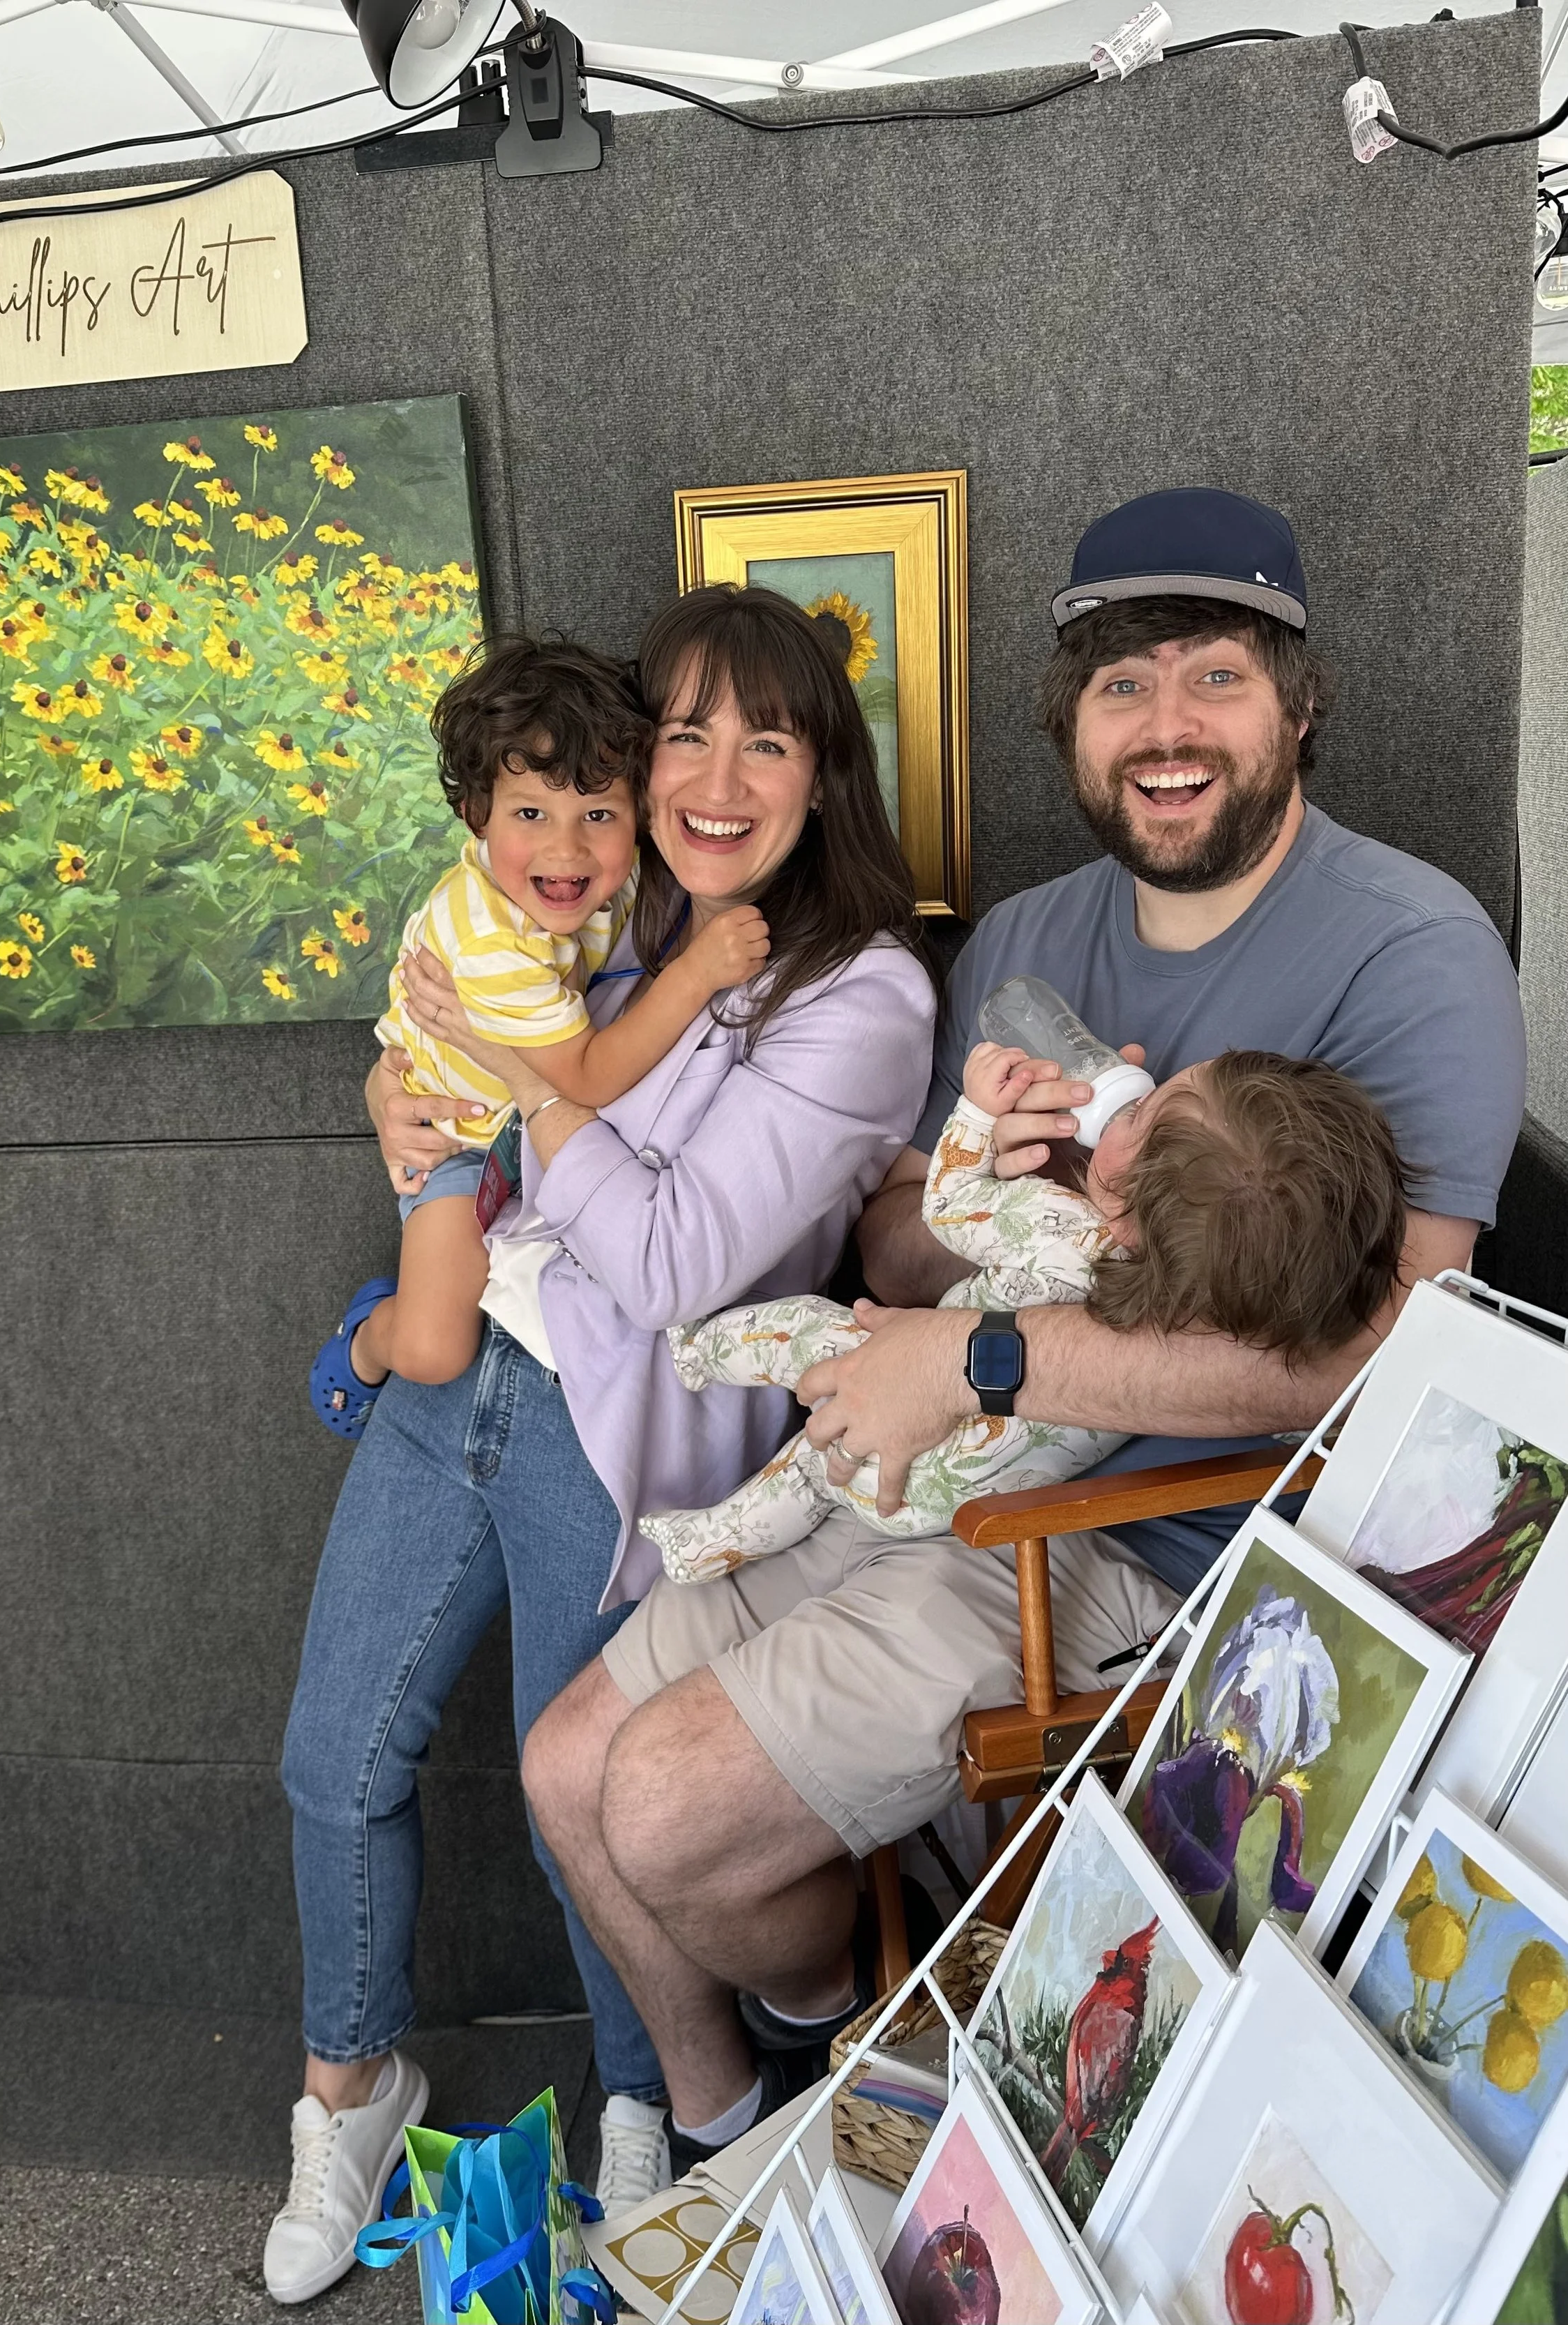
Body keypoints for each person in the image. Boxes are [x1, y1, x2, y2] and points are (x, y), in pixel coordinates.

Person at [521, 486, 1527, 2176]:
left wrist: (1002, 1356)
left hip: (1154, 1549)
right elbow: (899, 1238)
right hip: (921, 1461)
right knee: (565, 1774)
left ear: (1296, 702)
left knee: (669, 1810)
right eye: (1123, 685)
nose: (1168, 726)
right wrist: (988, 1185)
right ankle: (732, 2135)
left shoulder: (1411, 944)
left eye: (1215, 674)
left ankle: (880, 2024)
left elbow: (1400, 1352)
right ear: (1070, 722)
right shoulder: (1028, 939)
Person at [263, 584, 933, 2305]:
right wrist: (407, 1094)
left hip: (611, 1423)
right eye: (681, 737)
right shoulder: (609, 921)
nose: (711, 776)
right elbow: (455, 1062)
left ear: (822, 772)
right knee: (334, 1759)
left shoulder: (860, 995)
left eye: (760, 739)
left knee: (579, 1803)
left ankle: (645, 2098)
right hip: (457, 1372)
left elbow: (676, 1260)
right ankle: (346, 2089)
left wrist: (528, 1086)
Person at [643, 1044, 1412, 1580]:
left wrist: (979, 1116)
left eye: (1146, 1113)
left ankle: (696, 1353)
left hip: (903, 1417)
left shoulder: (1064, 1234)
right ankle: (703, 1545)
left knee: (811, 1339)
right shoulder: (1210, 1320)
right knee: (815, 1476)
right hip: (950, 1508)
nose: (1139, 1095)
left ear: (1121, 1183)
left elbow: (947, 1208)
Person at [308, 634, 769, 1415]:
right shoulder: (491, 938)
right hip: (458, 1143)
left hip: (514, 1129)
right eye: (530, 813)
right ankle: (367, 1337)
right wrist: (700, 971)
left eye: (598, 813)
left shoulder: (593, 881)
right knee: (433, 1349)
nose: (567, 848)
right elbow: (585, 1074)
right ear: (475, 814)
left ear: (641, 814)